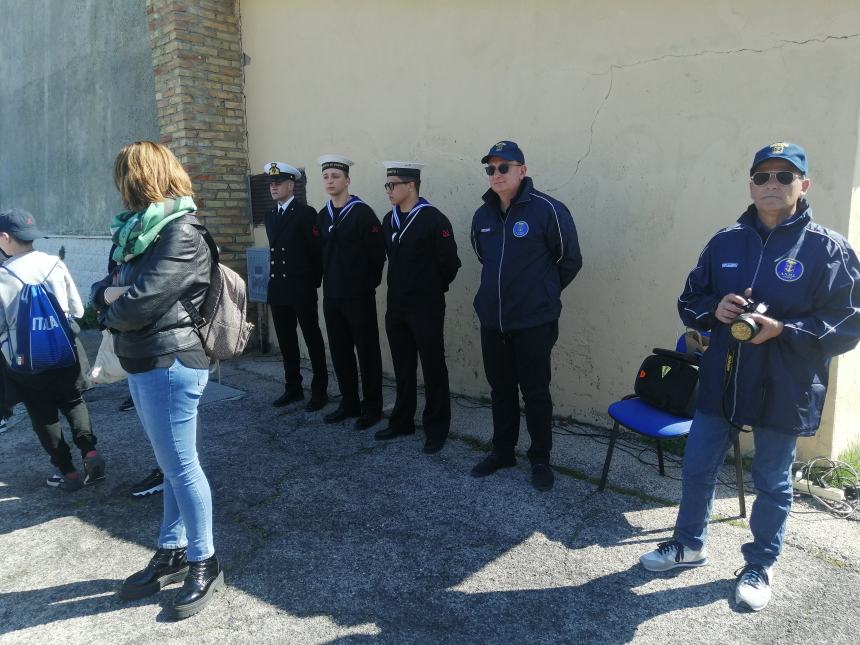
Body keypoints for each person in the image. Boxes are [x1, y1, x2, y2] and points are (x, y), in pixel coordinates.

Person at [639, 142, 860, 612]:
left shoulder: (828, 248)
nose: (772, 185)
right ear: (751, 185)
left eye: (785, 176)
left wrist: (785, 331)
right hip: (723, 378)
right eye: (763, 176)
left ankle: (759, 562)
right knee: (698, 466)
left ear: (804, 184)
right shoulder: (725, 241)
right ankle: (688, 544)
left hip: (785, 383)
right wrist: (711, 311)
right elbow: (690, 299)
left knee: (772, 480)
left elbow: (847, 323)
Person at [92, 141, 222, 619]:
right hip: (143, 359)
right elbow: (102, 290)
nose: (120, 186)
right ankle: (171, 550)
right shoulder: (134, 231)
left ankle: (204, 560)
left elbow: (134, 306)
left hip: (170, 361)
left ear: (141, 178)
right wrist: (112, 293)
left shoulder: (180, 232)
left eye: (124, 176)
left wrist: (113, 297)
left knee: (182, 466)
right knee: (170, 464)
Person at [469, 141, 582, 491]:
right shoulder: (482, 215)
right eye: (491, 168)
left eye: (504, 167)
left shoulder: (548, 210)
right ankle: (503, 451)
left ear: (522, 170)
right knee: (501, 390)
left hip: (534, 322)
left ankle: (540, 458)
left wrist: (542, 295)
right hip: (493, 321)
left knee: (535, 393)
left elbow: (569, 260)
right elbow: (484, 259)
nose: (497, 174)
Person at [0, 208, 105, 491]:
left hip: (26, 361)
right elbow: (78, 309)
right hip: (65, 351)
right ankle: (90, 452)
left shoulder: (2, 275)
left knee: (42, 412)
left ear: (5, 238)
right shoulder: (53, 263)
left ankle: (67, 471)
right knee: (73, 401)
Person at [376, 162, 461, 453]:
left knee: (433, 366)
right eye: (386, 185)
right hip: (397, 306)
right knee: (403, 366)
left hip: (425, 307)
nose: (388, 190)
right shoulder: (389, 220)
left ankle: (436, 428)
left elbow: (450, 263)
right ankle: (402, 421)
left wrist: (430, 289)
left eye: (393, 184)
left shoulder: (434, 220)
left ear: (411, 185)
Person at [316, 154, 386, 429]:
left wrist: (365, 285)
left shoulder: (362, 213)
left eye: (335, 176)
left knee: (367, 352)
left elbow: (377, 255)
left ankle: (372, 407)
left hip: (358, 297)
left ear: (347, 180)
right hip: (332, 296)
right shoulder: (323, 216)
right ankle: (349, 402)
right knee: (340, 351)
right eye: (326, 176)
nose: (330, 181)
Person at [263, 161, 328, 411]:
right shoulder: (270, 215)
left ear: (291, 185)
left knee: (312, 338)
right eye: (271, 183)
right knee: (287, 341)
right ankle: (293, 388)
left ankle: (319, 391)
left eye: (278, 183)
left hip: (300, 287)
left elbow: (316, 253)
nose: (273, 187)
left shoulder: (305, 213)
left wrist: (311, 283)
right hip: (279, 288)